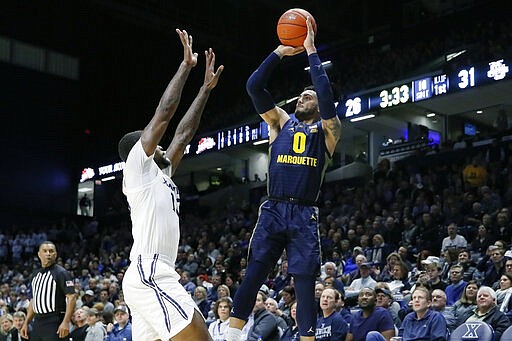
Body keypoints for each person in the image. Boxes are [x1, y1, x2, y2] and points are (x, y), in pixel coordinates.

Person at [227, 16, 341, 341]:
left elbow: (326, 95)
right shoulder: (279, 121)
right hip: (274, 208)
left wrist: (311, 52)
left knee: (304, 284)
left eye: (311, 94)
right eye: (302, 94)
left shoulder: (329, 130)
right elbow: (254, 87)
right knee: (255, 272)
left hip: (304, 212)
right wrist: (279, 51)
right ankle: (231, 336)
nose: (305, 96)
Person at [118, 29, 223, 341]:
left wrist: (204, 89)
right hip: (148, 271)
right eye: (154, 143)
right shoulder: (138, 168)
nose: (162, 146)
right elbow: (163, 116)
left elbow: (183, 133)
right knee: (199, 336)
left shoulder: (161, 175)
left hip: (158, 271)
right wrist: (185, 67)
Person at [20, 241, 76, 340]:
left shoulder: (61, 273)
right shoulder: (34, 275)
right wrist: (26, 322)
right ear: (39, 254)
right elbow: (34, 301)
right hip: (37, 321)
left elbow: (71, 297)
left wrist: (66, 322)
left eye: (51, 251)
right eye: (45, 251)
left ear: (56, 254)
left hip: (54, 320)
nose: (48, 254)